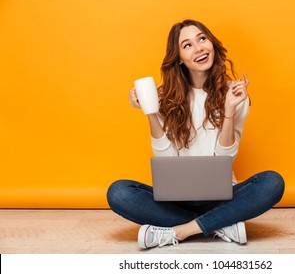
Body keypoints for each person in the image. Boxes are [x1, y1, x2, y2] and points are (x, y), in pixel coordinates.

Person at [107, 19, 285, 249]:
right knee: (119, 192)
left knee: (272, 182)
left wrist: (229, 109)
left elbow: (225, 159)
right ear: (179, 57)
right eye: (187, 45)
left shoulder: (234, 93)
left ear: (211, 43)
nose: (199, 47)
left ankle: (179, 231)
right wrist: (150, 113)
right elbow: (166, 161)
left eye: (202, 39)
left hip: (222, 197)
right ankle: (220, 224)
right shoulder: (162, 97)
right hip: (176, 201)